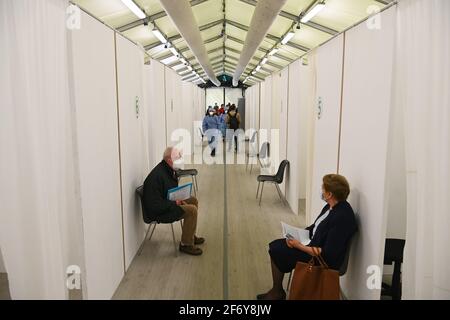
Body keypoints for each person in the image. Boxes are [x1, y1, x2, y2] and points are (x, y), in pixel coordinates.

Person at [257, 174, 357, 300]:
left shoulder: (342, 217)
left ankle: (277, 292)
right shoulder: (330, 206)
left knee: (277, 250)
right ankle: (277, 290)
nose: (321, 191)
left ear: (330, 194)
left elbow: (328, 254)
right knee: (276, 245)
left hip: (320, 259)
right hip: (312, 244)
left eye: (323, 189)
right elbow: (316, 226)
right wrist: (298, 234)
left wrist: (298, 245)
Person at [143, 147, 205, 256]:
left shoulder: (168, 170)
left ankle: (189, 235)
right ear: (169, 160)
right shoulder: (157, 176)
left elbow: (169, 191)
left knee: (193, 200)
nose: (181, 160)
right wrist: (174, 203)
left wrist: (178, 197)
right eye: (178, 158)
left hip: (168, 203)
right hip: (160, 211)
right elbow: (154, 206)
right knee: (192, 210)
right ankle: (186, 245)